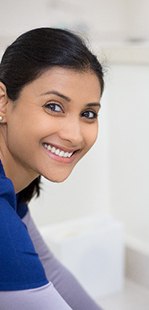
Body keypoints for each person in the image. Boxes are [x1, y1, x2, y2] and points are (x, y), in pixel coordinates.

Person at [0, 27, 105, 309]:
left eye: (88, 114)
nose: (74, 134)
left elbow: (51, 272)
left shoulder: (10, 188)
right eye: (54, 106)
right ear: (2, 101)